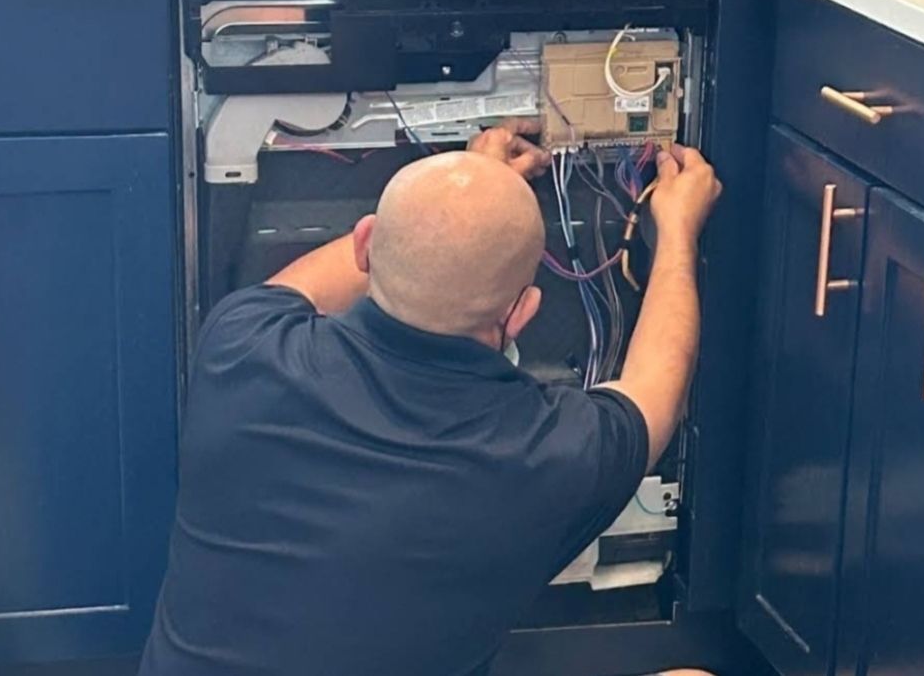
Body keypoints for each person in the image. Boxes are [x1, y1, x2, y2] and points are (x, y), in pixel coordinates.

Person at [138, 121, 723, 676]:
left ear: (367, 244)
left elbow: (321, 277)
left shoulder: (239, 344)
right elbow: (657, 386)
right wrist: (676, 232)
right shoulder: (550, 455)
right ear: (522, 312)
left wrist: (462, 185)